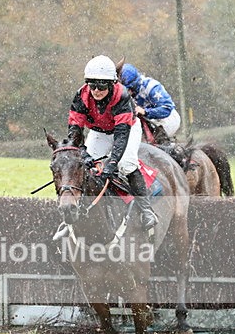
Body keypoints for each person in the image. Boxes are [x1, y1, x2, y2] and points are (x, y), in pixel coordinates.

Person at [68, 55, 157, 230]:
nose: (96, 90)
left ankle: (146, 210)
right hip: (99, 131)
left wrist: (112, 163)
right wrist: (83, 153)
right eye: (92, 84)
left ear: (111, 84)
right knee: (83, 166)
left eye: (101, 85)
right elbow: (74, 130)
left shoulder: (121, 95)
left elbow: (121, 136)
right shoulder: (81, 95)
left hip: (128, 129)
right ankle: (75, 212)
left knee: (125, 164)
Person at [119, 63, 181, 145]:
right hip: (148, 121)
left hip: (167, 119)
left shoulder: (152, 87)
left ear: (135, 83)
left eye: (129, 89)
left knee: (155, 142)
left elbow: (167, 109)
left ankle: (170, 151)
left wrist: (145, 112)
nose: (128, 93)